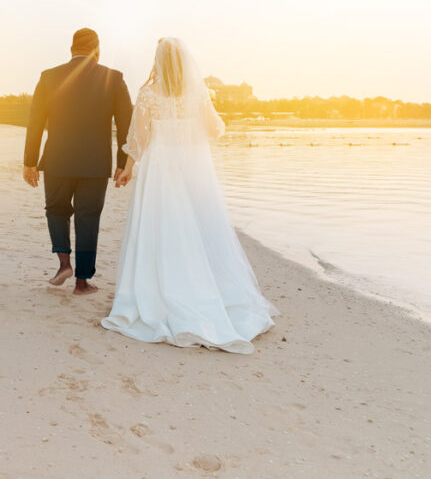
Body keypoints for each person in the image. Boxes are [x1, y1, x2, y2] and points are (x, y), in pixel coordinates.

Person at [101, 38, 278, 353]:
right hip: (191, 172)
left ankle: (158, 292)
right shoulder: (198, 94)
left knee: (163, 230)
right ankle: (204, 291)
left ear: (157, 60)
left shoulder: (148, 95)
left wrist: (128, 168)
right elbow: (215, 130)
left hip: (159, 170)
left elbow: (139, 141)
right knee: (197, 229)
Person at [23, 28, 133, 295]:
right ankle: (82, 282)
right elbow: (126, 124)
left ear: (71, 49)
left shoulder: (49, 77)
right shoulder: (114, 78)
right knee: (88, 217)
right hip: (95, 163)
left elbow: (35, 123)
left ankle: (63, 264)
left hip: (58, 160)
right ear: (97, 50)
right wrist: (123, 162)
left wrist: (30, 161)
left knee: (56, 209)